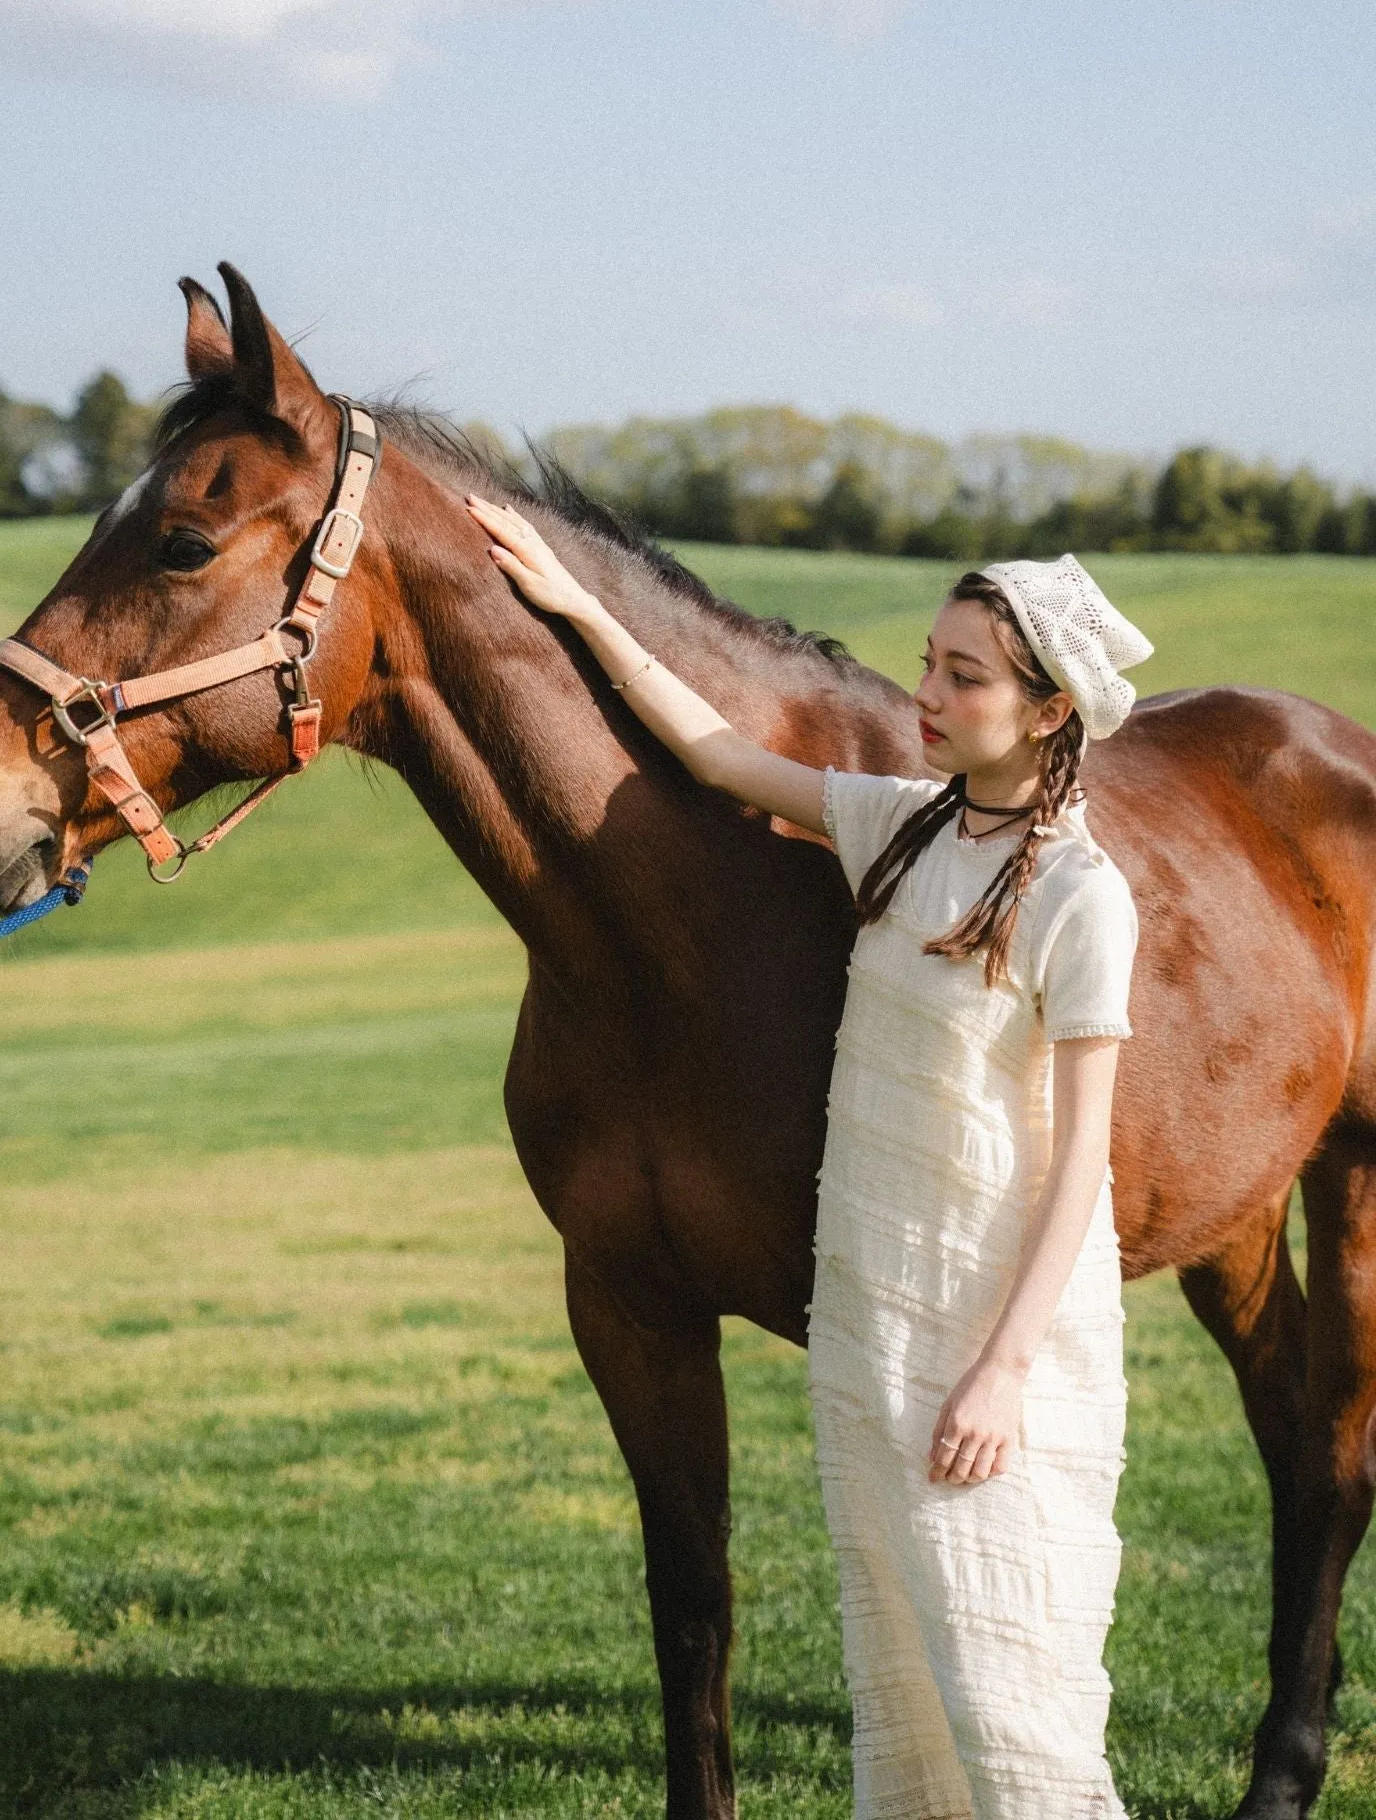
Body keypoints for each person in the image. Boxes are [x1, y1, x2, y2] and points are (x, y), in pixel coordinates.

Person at [466, 493, 1153, 1820]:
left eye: (965, 675)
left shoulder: (1083, 895)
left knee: (1013, 1690)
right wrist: (576, 602)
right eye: (929, 664)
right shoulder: (896, 823)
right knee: (898, 1662)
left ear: (1049, 708)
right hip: (869, 1309)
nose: (929, 694)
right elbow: (718, 755)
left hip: (995, 1318)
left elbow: (1082, 1168)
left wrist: (1004, 1374)